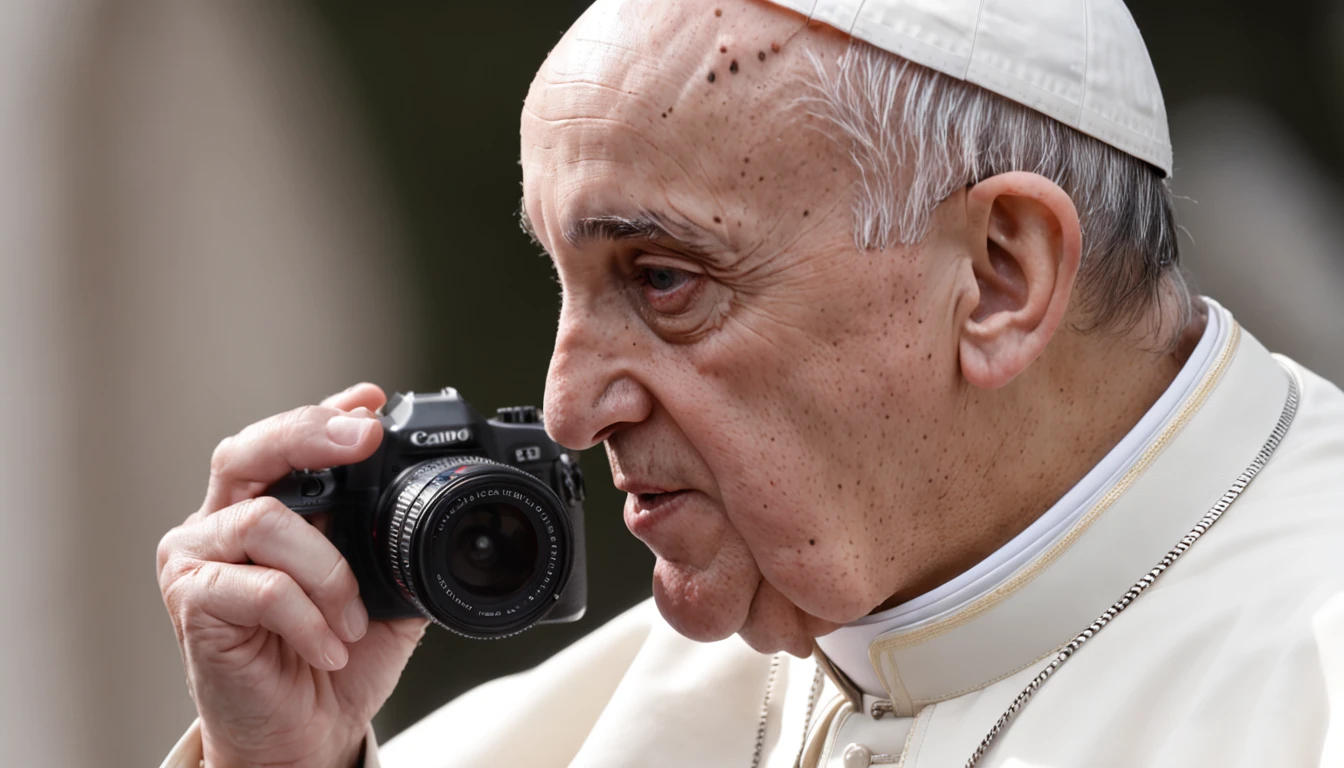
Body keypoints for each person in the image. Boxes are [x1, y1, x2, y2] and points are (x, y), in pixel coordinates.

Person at [157, 0, 1344, 765]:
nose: (569, 409)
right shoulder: (678, 688)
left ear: (997, 278)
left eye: (663, 279)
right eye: (566, 285)